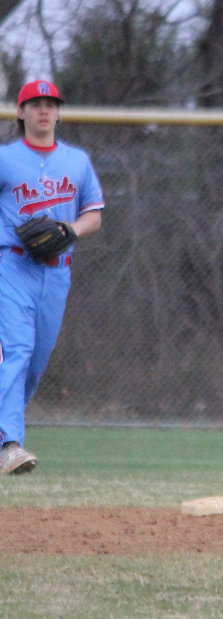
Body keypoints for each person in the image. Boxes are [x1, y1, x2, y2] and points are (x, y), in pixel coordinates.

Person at [0, 80, 104, 474]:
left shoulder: (76, 162)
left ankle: (4, 434)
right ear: (21, 112)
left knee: (34, 364)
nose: (43, 110)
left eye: (50, 103)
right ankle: (10, 444)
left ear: (58, 112)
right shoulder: (5, 159)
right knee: (16, 352)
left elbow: (93, 214)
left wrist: (69, 231)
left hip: (57, 272)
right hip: (12, 265)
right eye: (35, 103)